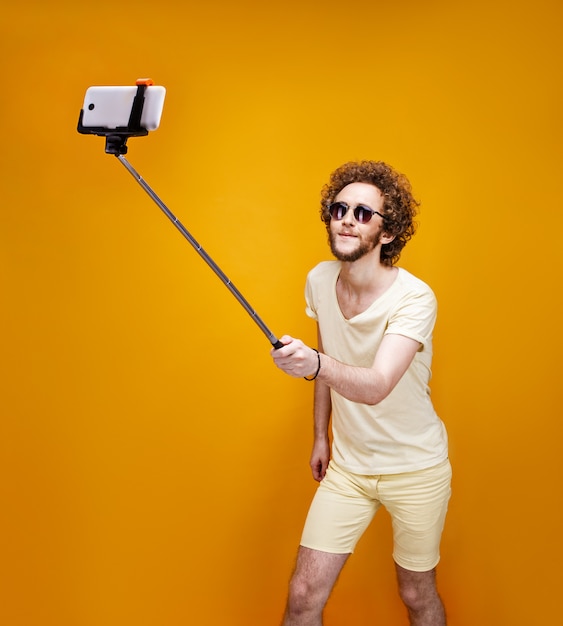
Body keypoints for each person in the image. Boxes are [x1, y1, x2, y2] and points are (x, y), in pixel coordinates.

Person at [271, 161, 451, 626]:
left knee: (416, 593)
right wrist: (320, 436)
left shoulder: (415, 298)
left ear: (388, 233)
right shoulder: (318, 280)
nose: (347, 218)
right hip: (350, 469)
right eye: (339, 208)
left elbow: (374, 385)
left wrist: (313, 364)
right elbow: (329, 359)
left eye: (363, 213)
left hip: (415, 467)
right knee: (304, 593)